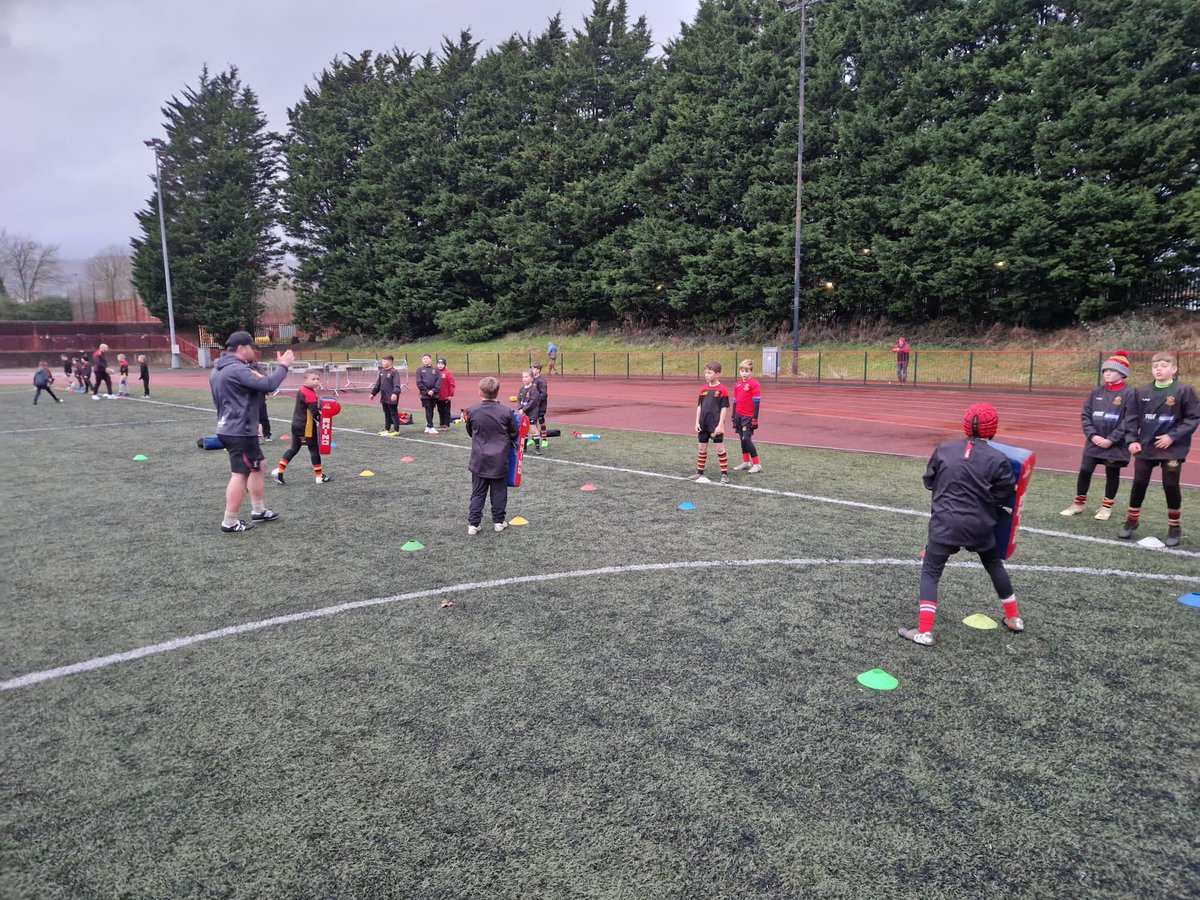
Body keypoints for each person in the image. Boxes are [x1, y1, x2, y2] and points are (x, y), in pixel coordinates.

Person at [899, 403, 1024, 647]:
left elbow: (929, 481)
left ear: (965, 425)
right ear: (993, 430)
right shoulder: (998, 458)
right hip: (980, 523)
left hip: (945, 522)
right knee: (992, 563)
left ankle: (925, 632)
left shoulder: (945, 449)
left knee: (932, 571)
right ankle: (1014, 618)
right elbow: (1004, 494)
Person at [209, 331, 294, 533]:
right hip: (239, 430)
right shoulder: (237, 369)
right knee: (240, 474)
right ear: (241, 348)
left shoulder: (219, 369)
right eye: (251, 347)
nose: (254, 351)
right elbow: (269, 385)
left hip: (231, 427)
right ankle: (229, 521)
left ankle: (258, 510)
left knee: (259, 466)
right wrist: (283, 366)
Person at [1119, 351, 1199, 547]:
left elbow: (1193, 418)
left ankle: (1174, 527)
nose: (1159, 369)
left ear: (1174, 369)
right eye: (1155, 366)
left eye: (1163, 366)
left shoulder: (1184, 390)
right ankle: (1132, 521)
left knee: (1170, 485)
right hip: (1145, 447)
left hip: (1172, 449)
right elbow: (1131, 418)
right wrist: (1131, 440)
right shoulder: (1141, 392)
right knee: (1139, 483)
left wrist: (1172, 436)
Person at [1060, 351, 1138, 521]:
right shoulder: (1096, 392)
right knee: (1085, 470)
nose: (1107, 373)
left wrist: (1111, 439)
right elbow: (1085, 415)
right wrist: (1093, 435)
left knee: (1112, 474)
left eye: (1111, 370)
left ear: (1122, 373)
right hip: (1093, 442)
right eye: (1105, 370)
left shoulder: (1130, 393)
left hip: (1115, 444)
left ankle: (1106, 507)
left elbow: (1130, 420)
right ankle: (1078, 504)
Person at [464, 376, 519, 535]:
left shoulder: (472, 410)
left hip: (479, 459)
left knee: (478, 492)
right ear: (497, 392)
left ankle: (473, 525)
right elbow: (514, 432)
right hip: (499, 459)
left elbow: (470, 432)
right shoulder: (506, 412)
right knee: (499, 492)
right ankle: (498, 522)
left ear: (480, 392)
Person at [270, 369, 331, 485]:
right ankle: (319, 476)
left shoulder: (302, 390)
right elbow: (314, 412)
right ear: (305, 380)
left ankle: (279, 470)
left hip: (296, 425)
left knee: (293, 449)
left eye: (318, 379)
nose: (316, 381)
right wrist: (325, 418)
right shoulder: (308, 393)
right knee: (314, 449)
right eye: (313, 379)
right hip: (305, 427)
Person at [689, 361, 731, 484]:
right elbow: (699, 406)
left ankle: (724, 474)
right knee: (702, 448)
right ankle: (699, 472)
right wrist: (697, 422)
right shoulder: (703, 389)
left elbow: (724, 408)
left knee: (719, 448)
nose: (706, 375)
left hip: (715, 424)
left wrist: (721, 425)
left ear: (717, 374)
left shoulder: (722, 390)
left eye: (709, 372)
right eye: (706, 372)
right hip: (703, 424)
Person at [732, 358, 763, 474]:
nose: (744, 373)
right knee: (742, 439)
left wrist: (755, 418)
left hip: (748, 417)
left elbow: (757, 402)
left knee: (747, 439)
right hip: (738, 416)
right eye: (742, 371)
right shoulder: (738, 384)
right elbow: (735, 401)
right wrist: (733, 416)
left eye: (747, 371)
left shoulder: (754, 384)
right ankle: (746, 462)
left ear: (751, 371)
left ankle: (757, 464)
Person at [370, 354, 404, 434]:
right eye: (382, 361)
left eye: (384, 361)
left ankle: (396, 430)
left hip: (392, 397)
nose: (382, 362)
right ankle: (387, 428)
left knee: (393, 413)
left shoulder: (394, 372)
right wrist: (373, 393)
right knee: (386, 413)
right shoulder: (382, 371)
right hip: (384, 397)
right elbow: (378, 384)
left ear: (390, 362)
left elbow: (397, 385)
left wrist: (395, 393)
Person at [516, 369, 541, 456]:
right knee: (524, 430)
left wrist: (524, 409)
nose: (524, 379)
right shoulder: (522, 389)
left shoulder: (534, 390)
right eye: (523, 377)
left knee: (533, 430)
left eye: (526, 377)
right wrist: (520, 408)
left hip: (532, 413)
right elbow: (519, 399)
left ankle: (538, 448)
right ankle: (524, 447)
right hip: (523, 413)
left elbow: (532, 402)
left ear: (531, 378)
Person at [250, 346, 273, 441]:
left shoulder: (256, 365)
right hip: (248, 393)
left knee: (262, 413)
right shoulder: (239, 366)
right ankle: (253, 434)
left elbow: (264, 377)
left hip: (259, 392)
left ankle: (266, 433)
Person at [416, 353, 440, 434]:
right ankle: (431, 426)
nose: (425, 360)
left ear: (430, 359)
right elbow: (419, 383)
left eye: (427, 358)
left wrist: (433, 390)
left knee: (432, 409)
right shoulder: (419, 370)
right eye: (424, 359)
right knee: (428, 408)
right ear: (422, 360)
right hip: (424, 394)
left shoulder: (436, 369)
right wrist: (426, 391)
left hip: (434, 393)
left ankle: (428, 426)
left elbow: (438, 381)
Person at [530, 362, 549, 452]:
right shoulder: (531, 379)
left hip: (540, 405)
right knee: (533, 422)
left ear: (538, 370)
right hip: (533, 405)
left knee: (541, 421)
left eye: (533, 368)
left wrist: (537, 401)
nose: (531, 370)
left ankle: (544, 440)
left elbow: (544, 394)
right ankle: (534, 439)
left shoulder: (541, 380)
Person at [436, 357, 457, 429]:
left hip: (446, 396)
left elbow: (452, 385)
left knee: (446, 411)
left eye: (442, 364)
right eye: (438, 364)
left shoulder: (448, 373)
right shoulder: (435, 372)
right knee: (440, 410)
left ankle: (446, 424)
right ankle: (441, 423)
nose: (440, 365)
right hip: (438, 396)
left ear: (444, 365)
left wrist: (451, 395)